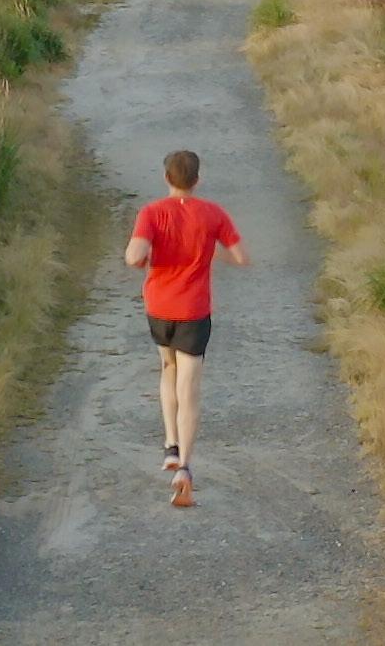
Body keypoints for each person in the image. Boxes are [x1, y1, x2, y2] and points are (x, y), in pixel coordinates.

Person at [124, 148, 246, 507]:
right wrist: (210, 252)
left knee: (168, 368)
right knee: (189, 388)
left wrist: (147, 259)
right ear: (197, 180)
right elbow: (241, 256)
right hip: (194, 310)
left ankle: (170, 445)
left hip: (159, 307)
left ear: (166, 178)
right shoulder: (213, 213)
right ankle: (185, 470)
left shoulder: (151, 213)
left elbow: (134, 256)